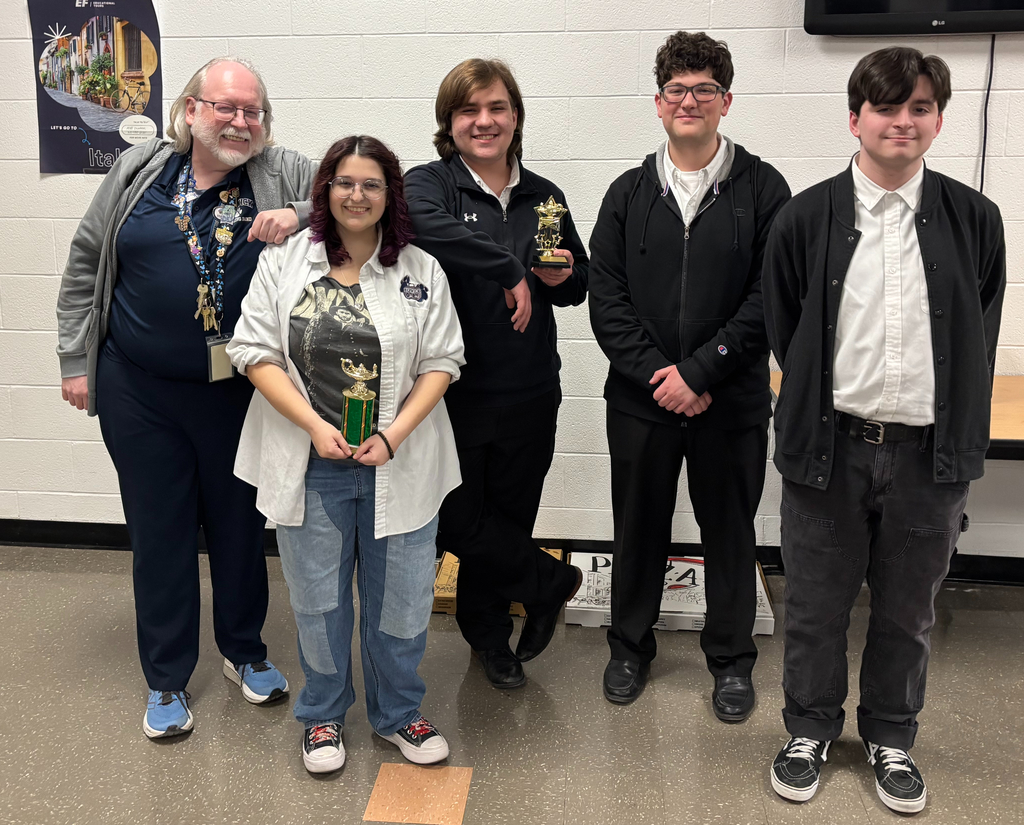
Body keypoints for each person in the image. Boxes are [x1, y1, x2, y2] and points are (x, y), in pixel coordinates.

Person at [763, 47, 1006, 814]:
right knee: (815, 606)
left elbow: (980, 329)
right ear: (855, 119)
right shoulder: (806, 218)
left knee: (909, 610)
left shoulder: (975, 220)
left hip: (929, 457)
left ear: (938, 120)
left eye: (920, 107)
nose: (904, 121)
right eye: (887, 107)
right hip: (829, 449)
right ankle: (808, 728)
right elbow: (787, 327)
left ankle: (891, 736)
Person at [55, 57, 314, 739]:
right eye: (226, 107)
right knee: (160, 530)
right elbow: (86, 259)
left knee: (239, 526)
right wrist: (75, 359)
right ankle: (166, 676)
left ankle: (243, 650)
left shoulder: (282, 170)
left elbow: (367, 195)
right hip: (138, 388)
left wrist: (297, 213)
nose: (240, 122)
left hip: (240, 391)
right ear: (191, 110)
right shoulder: (140, 169)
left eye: (253, 110)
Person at [227, 135, 465, 774]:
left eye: (372, 185)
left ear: (391, 195)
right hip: (311, 463)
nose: (357, 196)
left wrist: (394, 435)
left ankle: (398, 712)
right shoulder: (285, 261)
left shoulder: (420, 269)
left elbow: (443, 361)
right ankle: (323, 715)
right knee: (318, 602)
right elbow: (253, 350)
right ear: (325, 189)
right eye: (344, 183)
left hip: (399, 462)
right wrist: (311, 425)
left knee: (403, 602)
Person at [588, 31, 791, 713]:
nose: (689, 101)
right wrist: (662, 377)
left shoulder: (764, 189)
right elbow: (607, 299)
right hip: (641, 401)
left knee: (729, 532)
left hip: (730, 402)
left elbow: (769, 297)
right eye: (676, 89)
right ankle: (628, 647)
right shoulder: (627, 193)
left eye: (705, 89)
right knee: (636, 528)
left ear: (726, 101)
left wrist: (701, 373)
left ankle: (731, 659)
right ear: (658, 102)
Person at [403, 59, 588, 689]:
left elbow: (579, 283)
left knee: (508, 519)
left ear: (515, 117)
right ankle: (547, 581)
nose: (484, 121)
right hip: (450, 391)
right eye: (469, 110)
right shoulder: (429, 185)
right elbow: (428, 229)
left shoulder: (544, 196)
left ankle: (489, 639)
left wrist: (562, 276)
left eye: (497, 108)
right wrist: (509, 269)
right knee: (453, 516)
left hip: (531, 389)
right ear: (449, 122)